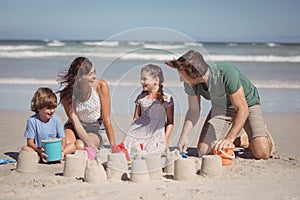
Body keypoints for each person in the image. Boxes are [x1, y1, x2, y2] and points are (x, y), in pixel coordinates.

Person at [165, 50, 275, 159]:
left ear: (195, 73)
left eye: (182, 76)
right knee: (203, 151)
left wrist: (229, 139)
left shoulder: (226, 73)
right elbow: (194, 110)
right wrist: (184, 136)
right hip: (221, 108)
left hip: (247, 105)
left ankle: (262, 135)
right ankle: (243, 140)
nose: (180, 79)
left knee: (262, 153)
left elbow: (242, 109)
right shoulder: (189, 82)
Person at [57, 57, 116, 152]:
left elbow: (106, 119)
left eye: (94, 72)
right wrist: (91, 146)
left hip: (97, 130)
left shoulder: (101, 86)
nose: (94, 76)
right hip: (74, 127)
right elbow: (76, 123)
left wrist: (114, 147)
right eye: (90, 74)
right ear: (78, 78)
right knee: (64, 145)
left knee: (80, 145)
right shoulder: (66, 96)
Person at [123, 64, 174, 155]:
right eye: (141, 79)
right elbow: (136, 118)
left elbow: (170, 121)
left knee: (152, 151)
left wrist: (166, 139)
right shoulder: (141, 98)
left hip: (156, 132)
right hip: (140, 130)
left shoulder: (166, 99)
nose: (141, 82)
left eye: (144, 79)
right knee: (132, 149)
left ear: (156, 80)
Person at [22, 87, 71, 162]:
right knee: (25, 149)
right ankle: (40, 157)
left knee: (72, 146)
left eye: (54, 107)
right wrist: (39, 150)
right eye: (48, 108)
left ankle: (60, 156)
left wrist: (62, 151)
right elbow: (30, 142)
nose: (51, 111)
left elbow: (63, 138)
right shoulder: (32, 121)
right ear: (38, 108)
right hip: (39, 150)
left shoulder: (56, 120)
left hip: (55, 150)